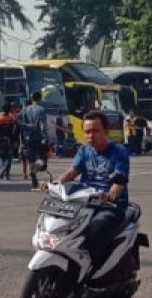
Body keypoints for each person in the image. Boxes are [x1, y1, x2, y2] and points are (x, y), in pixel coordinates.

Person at [41, 110, 129, 273]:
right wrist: (53, 184)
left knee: (94, 229)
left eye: (96, 131)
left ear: (106, 131)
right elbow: (71, 172)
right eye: (87, 132)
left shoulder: (119, 151)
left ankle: (94, 270)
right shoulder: (84, 150)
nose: (91, 135)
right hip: (84, 202)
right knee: (58, 223)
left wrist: (111, 195)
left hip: (110, 207)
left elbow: (119, 180)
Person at [19, 92, 47, 181]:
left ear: (32, 99)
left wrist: (27, 125)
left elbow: (18, 120)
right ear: (40, 99)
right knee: (42, 159)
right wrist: (44, 136)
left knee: (31, 158)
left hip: (28, 138)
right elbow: (42, 124)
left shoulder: (25, 110)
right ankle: (34, 172)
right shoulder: (41, 109)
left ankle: (33, 177)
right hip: (38, 138)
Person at [0, 103, 20, 180]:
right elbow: (16, 131)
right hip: (10, 141)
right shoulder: (12, 120)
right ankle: (7, 174)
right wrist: (15, 141)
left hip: (2, 141)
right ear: (10, 110)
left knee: (1, 156)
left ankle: (3, 168)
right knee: (9, 158)